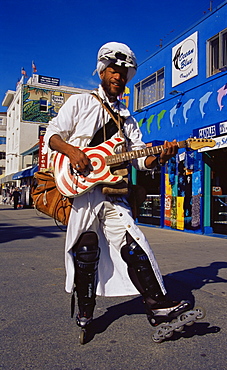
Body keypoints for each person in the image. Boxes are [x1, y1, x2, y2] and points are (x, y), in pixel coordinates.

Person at [43, 42, 191, 331]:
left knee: (134, 245)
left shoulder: (128, 120)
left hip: (112, 192)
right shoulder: (81, 103)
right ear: (102, 71)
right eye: (113, 70)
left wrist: (157, 158)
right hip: (80, 189)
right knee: (85, 250)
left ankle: (158, 307)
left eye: (124, 73)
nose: (118, 76)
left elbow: (139, 160)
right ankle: (85, 312)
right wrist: (73, 152)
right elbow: (52, 134)